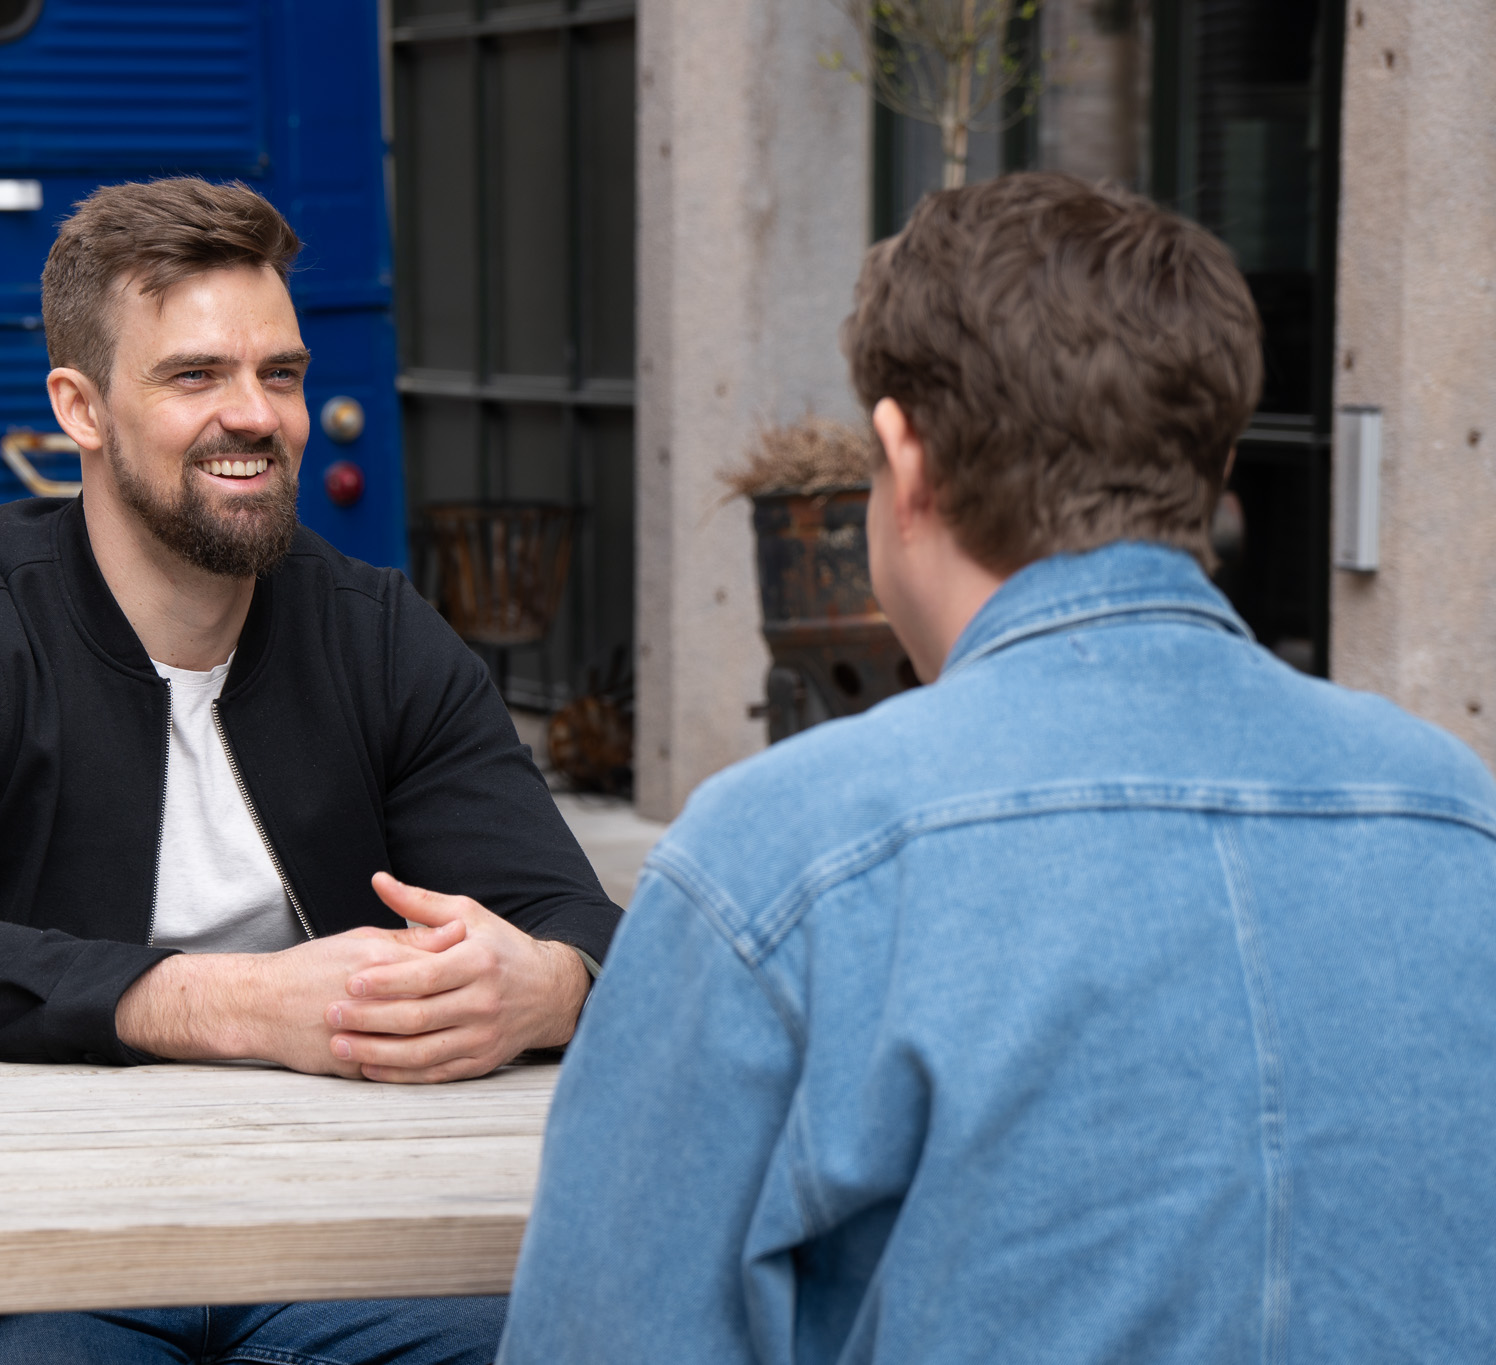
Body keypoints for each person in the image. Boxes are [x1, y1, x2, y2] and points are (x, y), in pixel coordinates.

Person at [499, 172, 1496, 1363]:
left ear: (899, 458)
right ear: (1213, 471)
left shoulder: (782, 855)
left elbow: (606, 1339)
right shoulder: (1452, 816)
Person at [0, 177, 619, 1365]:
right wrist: (237, 1003)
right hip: (19, 1252)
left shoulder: (372, 632)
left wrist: (545, 984)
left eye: (279, 373)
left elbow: (575, 917)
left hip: (334, 1236)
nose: (255, 414)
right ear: (81, 407)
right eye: (194, 377)